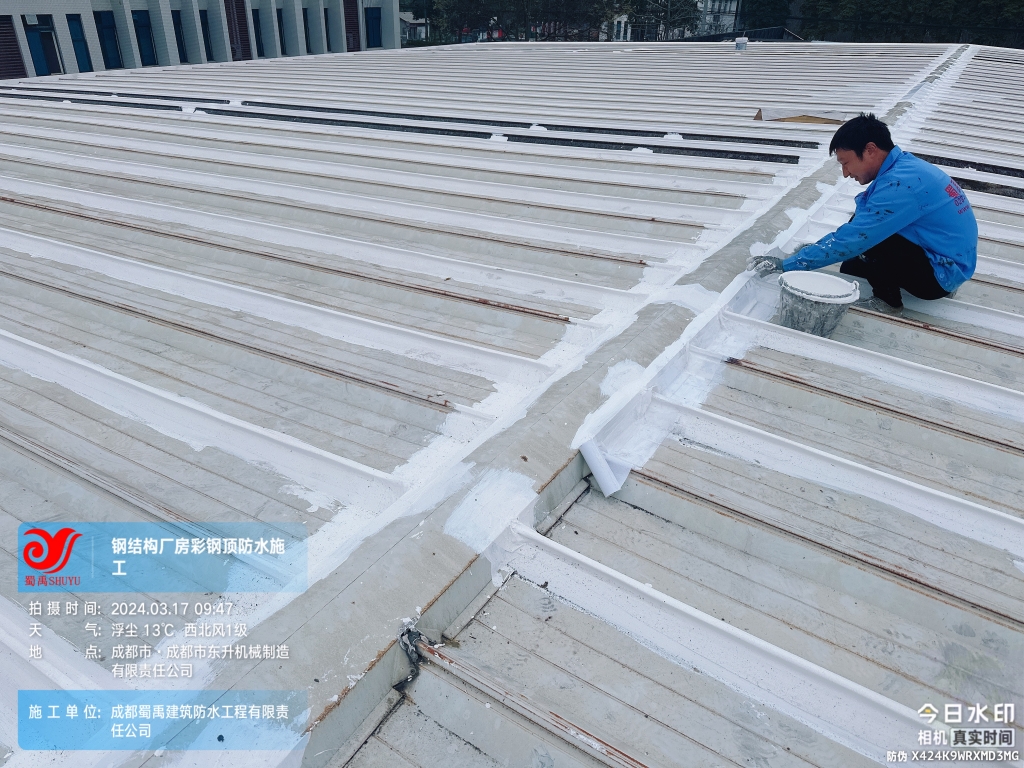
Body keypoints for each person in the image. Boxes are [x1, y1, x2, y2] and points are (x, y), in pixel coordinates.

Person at [746, 113, 977, 315]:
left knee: (870, 242)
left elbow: (856, 237)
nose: (845, 173)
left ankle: (888, 302)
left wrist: (789, 264)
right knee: (852, 267)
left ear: (870, 150)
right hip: (948, 258)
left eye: (846, 163)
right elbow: (862, 219)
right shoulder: (904, 168)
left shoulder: (900, 185)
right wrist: (815, 251)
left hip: (940, 274)